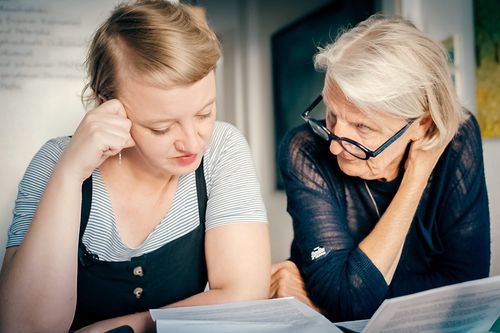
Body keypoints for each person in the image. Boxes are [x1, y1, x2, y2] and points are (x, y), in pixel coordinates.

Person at [0, 1, 271, 332]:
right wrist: (70, 174)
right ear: (107, 107)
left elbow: (245, 295)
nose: (192, 142)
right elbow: (25, 327)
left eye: (204, 113)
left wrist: (120, 327)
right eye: (161, 127)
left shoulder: (222, 149)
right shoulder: (56, 162)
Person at [270, 14, 490, 322]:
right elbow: (346, 298)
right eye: (332, 115)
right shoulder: (304, 149)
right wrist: (343, 296)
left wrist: (417, 175)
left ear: (422, 124)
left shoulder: (457, 140)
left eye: (362, 127)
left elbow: (467, 288)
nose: (334, 145)